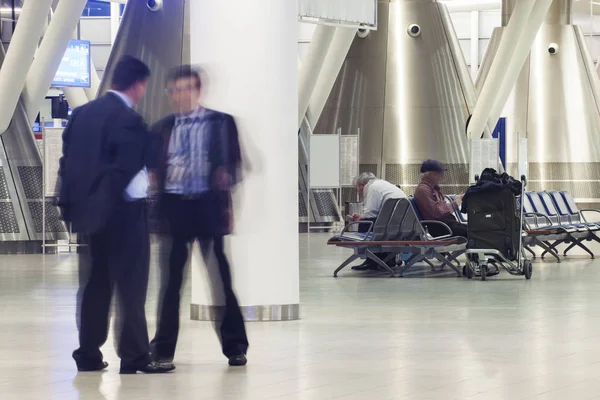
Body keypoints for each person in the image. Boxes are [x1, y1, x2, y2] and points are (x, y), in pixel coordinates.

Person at [59, 56, 174, 375]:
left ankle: (88, 354)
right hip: (124, 216)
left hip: (88, 216)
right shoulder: (130, 120)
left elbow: (67, 161)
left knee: (94, 285)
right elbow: (135, 171)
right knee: (131, 287)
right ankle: (135, 356)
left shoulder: (81, 114)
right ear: (139, 85)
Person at [149, 65, 249, 367]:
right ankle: (163, 350)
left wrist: (225, 176)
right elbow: (154, 167)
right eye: (174, 91)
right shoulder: (162, 128)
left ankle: (235, 347)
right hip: (174, 210)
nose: (179, 96)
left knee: (220, 280)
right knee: (170, 284)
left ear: (197, 91)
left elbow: (235, 163)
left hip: (208, 209)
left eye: (186, 90)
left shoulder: (221, 122)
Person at [350, 172, 406, 271]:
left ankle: (371, 260)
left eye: (357, 189)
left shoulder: (372, 188)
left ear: (361, 185)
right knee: (368, 221)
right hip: (401, 224)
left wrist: (361, 218)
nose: (358, 192)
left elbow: (370, 213)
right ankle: (388, 259)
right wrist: (363, 216)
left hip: (390, 224)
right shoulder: (384, 184)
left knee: (364, 224)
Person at [413, 160, 467, 238]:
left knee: (475, 231)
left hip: (446, 224)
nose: (442, 177)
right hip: (440, 227)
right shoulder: (423, 190)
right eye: (439, 174)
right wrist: (454, 204)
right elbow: (436, 213)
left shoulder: (434, 189)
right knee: (473, 234)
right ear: (430, 175)